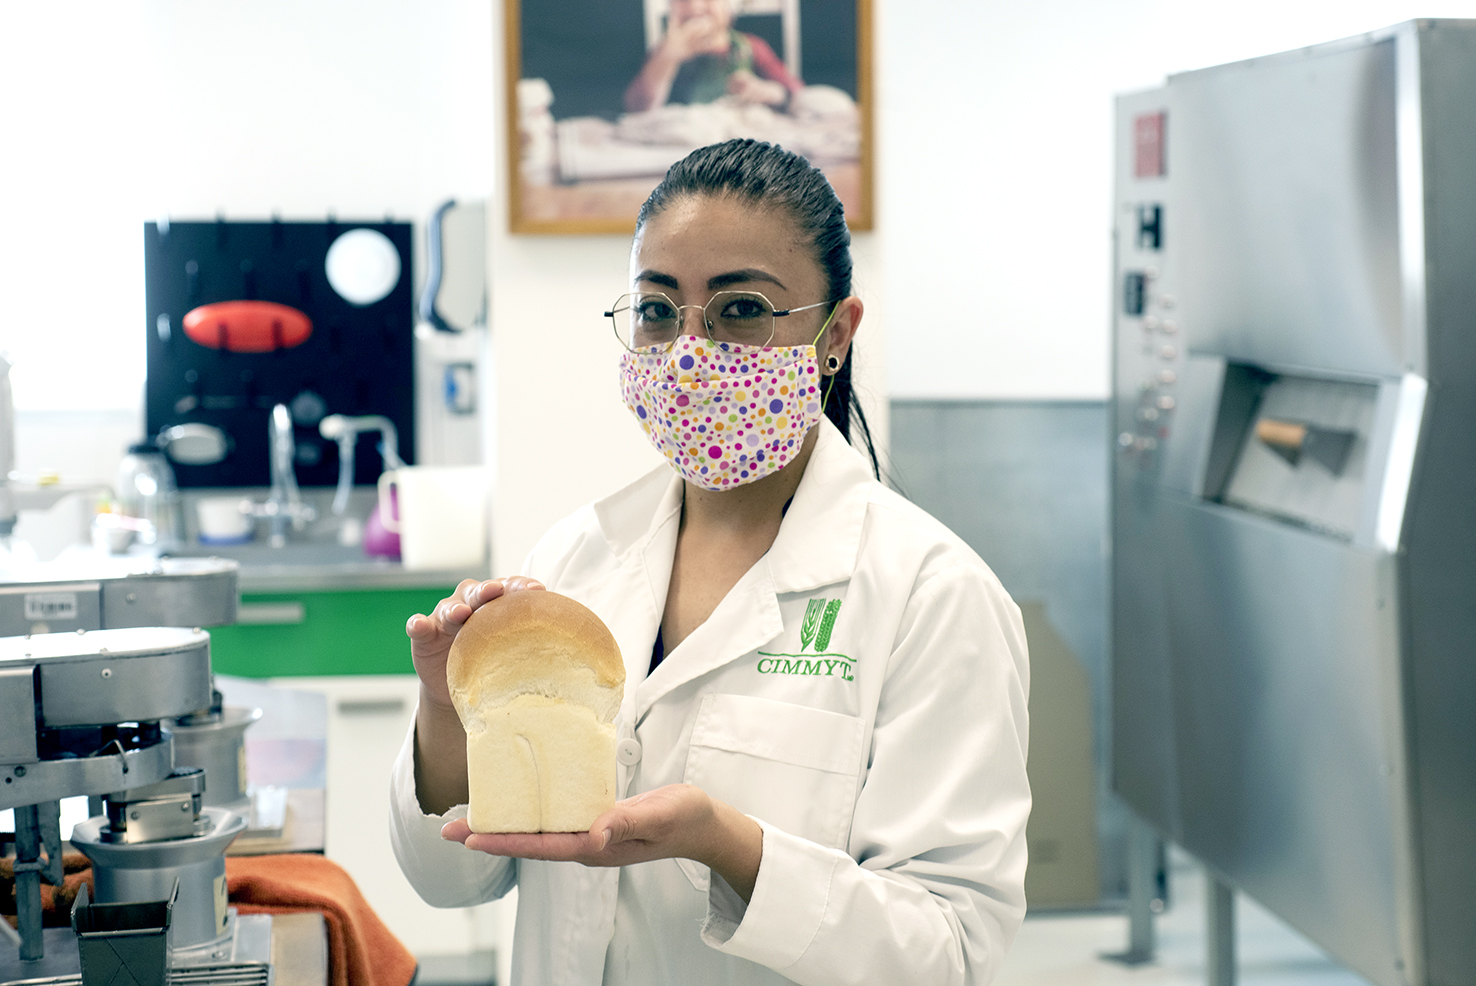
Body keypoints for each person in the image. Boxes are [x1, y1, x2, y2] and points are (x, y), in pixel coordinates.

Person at [391, 139, 1031, 986]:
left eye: (740, 310)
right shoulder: (574, 559)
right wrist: (447, 706)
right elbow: (449, 879)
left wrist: (728, 847)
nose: (690, 352)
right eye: (658, 310)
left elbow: (952, 952)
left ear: (834, 334)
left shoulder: (932, 595)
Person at [624, 0, 803, 113]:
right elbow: (636, 109)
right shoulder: (662, 53)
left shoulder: (750, 47)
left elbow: (795, 93)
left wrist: (765, 91)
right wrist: (667, 58)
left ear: (728, 8)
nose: (695, 6)